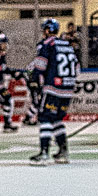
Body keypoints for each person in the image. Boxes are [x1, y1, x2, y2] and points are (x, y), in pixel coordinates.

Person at [27, 17, 79, 164]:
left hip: (52, 88)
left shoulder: (47, 44)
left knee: (45, 117)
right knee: (57, 119)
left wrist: (34, 80)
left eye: (44, 29)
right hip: (67, 89)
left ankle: (44, 153)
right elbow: (77, 69)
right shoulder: (68, 45)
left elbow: (40, 66)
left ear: (48, 30)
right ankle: (63, 151)